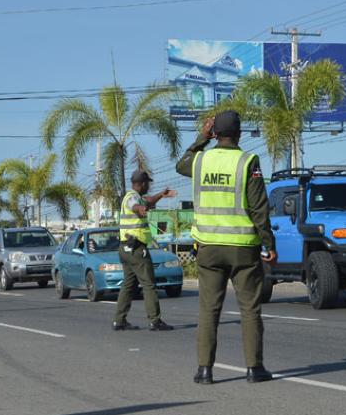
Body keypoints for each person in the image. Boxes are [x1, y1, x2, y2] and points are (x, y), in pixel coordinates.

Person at [176, 110, 278, 385]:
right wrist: (268, 243)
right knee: (249, 309)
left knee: (209, 310)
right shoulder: (247, 161)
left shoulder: (200, 160)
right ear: (240, 133)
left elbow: (180, 164)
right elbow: (259, 208)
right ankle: (254, 369)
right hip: (243, 248)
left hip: (208, 248)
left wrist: (200, 138)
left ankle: (205, 370)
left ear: (215, 134)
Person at [113, 170, 177, 332]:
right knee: (149, 284)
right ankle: (155, 320)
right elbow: (136, 205)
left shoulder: (135, 196)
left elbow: (147, 201)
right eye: (147, 183)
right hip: (136, 249)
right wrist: (140, 209)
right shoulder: (131, 198)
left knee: (128, 284)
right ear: (142, 184)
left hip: (125, 248)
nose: (149, 185)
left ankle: (119, 320)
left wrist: (161, 195)